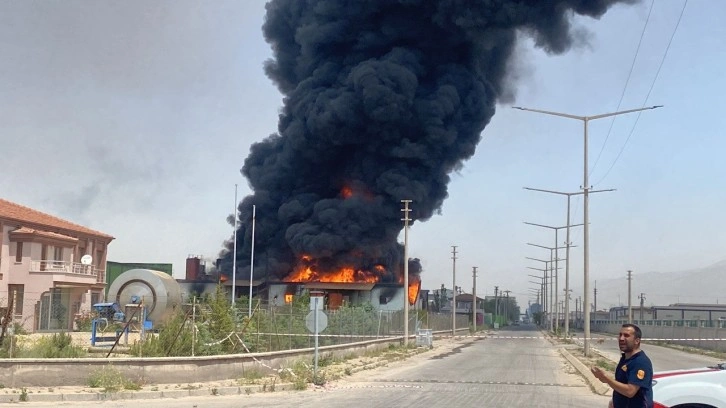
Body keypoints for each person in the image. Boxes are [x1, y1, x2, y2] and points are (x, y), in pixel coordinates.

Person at [591, 323, 653, 408]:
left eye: (626, 335)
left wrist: (606, 379)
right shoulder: (625, 359)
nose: (621, 338)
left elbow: (630, 391)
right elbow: (621, 384)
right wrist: (614, 402)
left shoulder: (640, 362)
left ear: (637, 341)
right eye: (620, 335)